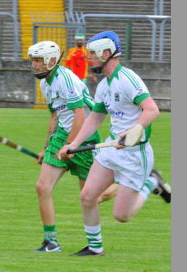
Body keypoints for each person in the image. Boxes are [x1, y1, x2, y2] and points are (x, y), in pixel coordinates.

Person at [58, 31, 171, 256]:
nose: (90, 58)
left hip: (134, 154)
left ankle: (151, 183)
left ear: (107, 53)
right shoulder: (104, 86)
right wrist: (73, 143)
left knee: (122, 216)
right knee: (88, 196)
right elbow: (95, 118)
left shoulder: (128, 80)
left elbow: (152, 109)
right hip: (112, 149)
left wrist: (133, 132)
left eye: (93, 54)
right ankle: (95, 247)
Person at [28, 40, 104, 253]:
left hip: (85, 137)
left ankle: (138, 185)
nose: (34, 65)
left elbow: (80, 115)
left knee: (91, 197)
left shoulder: (66, 80)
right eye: (32, 60)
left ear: (51, 61)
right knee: (42, 187)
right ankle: (51, 242)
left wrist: (71, 145)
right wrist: (47, 147)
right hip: (62, 134)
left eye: (38, 61)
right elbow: (54, 115)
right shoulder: (45, 83)